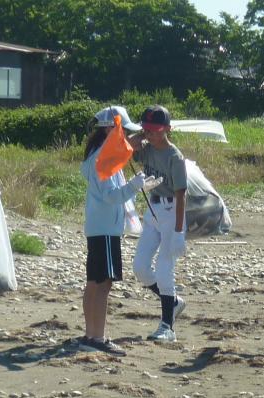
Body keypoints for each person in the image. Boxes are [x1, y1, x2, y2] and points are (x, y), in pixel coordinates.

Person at [78, 106, 161, 355]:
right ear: (109, 129)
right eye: (123, 130)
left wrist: (139, 140)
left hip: (101, 227)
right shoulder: (103, 157)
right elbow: (111, 196)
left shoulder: (103, 153)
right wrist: (135, 185)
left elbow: (124, 150)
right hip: (104, 229)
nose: (125, 135)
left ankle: (90, 335)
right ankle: (97, 337)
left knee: (94, 282)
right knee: (103, 284)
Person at [130, 105, 188, 342]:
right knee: (140, 267)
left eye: (155, 130)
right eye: (147, 130)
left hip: (172, 211)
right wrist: (139, 137)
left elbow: (182, 195)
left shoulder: (175, 157)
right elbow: (128, 147)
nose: (150, 134)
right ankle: (172, 302)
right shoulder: (146, 149)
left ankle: (167, 327)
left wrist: (178, 231)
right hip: (152, 209)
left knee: (164, 269)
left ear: (167, 129)